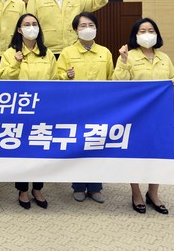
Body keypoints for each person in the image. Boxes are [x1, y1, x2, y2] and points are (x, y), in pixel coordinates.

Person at [113, 17, 174, 215]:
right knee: (134, 152)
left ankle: (153, 193)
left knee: (158, 152)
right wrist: (123, 61)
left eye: (151, 30)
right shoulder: (128, 56)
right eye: (142, 31)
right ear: (135, 35)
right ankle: (136, 192)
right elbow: (118, 83)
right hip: (136, 114)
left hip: (160, 114)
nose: (147, 34)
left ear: (157, 34)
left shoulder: (164, 58)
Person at [0, 13, 57, 209]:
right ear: (19, 30)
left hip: (43, 110)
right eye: (27, 24)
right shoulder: (9, 53)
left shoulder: (47, 54)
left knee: (41, 150)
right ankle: (23, 189)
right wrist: (16, 62)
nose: (31, 27)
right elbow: (3, 78)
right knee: (22, 151)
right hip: (19, 111)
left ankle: (38, 188)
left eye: (34, 24)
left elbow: (55, 81)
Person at [56, 12, 113, 204]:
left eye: (91, 25)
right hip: (76, 107)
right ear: (75, 30)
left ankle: (96, 187)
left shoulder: (105, 52)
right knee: (78, 146)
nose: (87, 29)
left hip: (99, 107)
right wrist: (66, 76)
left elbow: (112, 79)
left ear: (96, 28)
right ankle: (79, 186)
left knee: (96, 146)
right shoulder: (67, 53)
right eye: (82, 26)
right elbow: (56, 79)